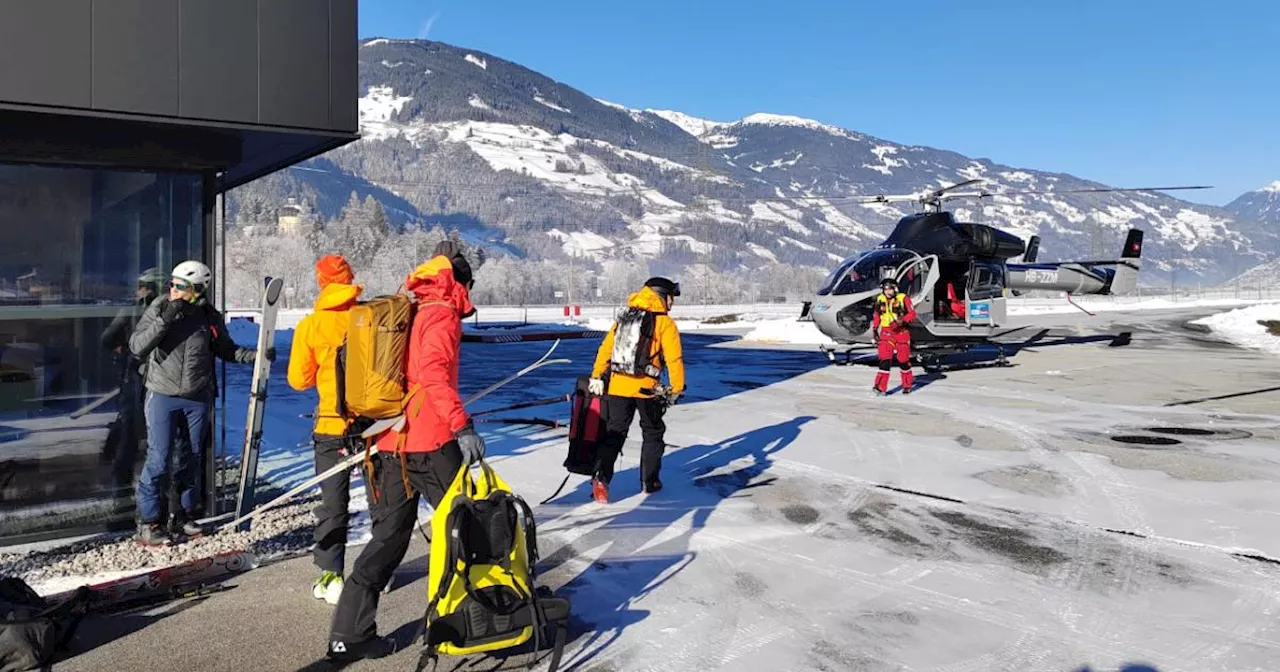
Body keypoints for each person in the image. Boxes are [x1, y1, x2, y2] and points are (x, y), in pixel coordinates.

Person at [327, 242, 487, 662]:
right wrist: (462, 425)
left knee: (388, 538)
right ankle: (472, 618)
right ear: (461, 283)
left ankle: (349, 635)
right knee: (467, 527)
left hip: (387, 443)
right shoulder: (441, 315)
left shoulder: (409, 308)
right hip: (429, 441)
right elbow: (433, 375)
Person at [128, 260, 270, 546]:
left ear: (197, 290)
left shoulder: (208, 316)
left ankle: (181, 515)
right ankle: (149, 521)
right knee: (159, 457)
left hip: (197, 397)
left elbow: (225, 349)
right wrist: (166, 317)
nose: (174, 290)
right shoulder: (160, 307)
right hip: (162, 394)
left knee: (191, 458)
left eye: (181, 287)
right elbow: (137, 346)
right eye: (172, 284)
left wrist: (256, 356)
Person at [287, 255, 364, 605]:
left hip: (332, 426)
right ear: (350, 280)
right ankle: (377, 569)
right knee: (383, 501)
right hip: (375, 424)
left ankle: (331, 575)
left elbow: (298, 380)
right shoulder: (369, 317)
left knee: (334, 504)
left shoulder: (312, 325)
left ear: (321, 282)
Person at [587, 276, 685, 504]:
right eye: (671, 297)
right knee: (652, 432)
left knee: (615, 432)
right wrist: (677, 388)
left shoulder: (625, 318)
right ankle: (649, 482)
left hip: (618, 386)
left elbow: (606, 349)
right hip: (647, 389)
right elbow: (674, 359)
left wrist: (596, 375)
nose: (673, 303)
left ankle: (601, 477)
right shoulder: (664, 323)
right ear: (662, 296)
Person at [100, 267, 164, 499]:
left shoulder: (137, 310)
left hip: (137, 378)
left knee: (131, 434)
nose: (138, 291)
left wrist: (124, 351)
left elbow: (108, 339)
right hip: (145, 379)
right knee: (140, 434)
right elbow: (108, 339)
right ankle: (127, 486)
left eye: (142, 286)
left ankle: (123, 486)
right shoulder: (161, 311)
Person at [872, 278, 916, 395]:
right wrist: (875, 328)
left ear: (895, 289)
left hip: (901, 332)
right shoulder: (880, 300)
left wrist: (902, 320)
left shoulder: (903, 299)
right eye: (885, 290)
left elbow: (912, 313)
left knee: (903, 360)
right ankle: (880, 387)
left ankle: (907, 384)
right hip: (886, 332)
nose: (888, 292)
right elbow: (877, 314)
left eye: (890, 289)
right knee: (884, 360)